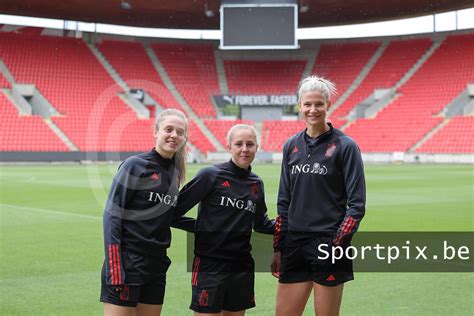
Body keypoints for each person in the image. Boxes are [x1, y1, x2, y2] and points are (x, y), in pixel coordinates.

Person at [272, 76, 366, 316]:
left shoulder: (346, 146)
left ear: (328, 105)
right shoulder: (290, 145)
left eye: (318, 104)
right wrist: (278, 247)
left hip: (329, 243)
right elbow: (284, 200)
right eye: (307, 104)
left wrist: (336, 244)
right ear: (299, 106)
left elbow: (356, 206)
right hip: (295, 244)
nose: (313, 110)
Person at [174, 124, 275, 315]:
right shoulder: (210, 175)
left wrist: (290, 224)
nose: (244, 149)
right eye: (239, 144)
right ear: (229, 147)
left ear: (256, 148)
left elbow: (261, 224)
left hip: (242, 266)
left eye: (250, 144)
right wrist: (202, 227)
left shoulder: (256, 183)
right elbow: (173, 213)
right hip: (210, 264)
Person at [100, 109, 190, 316]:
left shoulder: (175, 174)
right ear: (156, 132)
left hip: (157, 266)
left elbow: (169, 215)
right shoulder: (135, 165)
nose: (174, 135)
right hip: (128, 263)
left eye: (180, 132)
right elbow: (112, 217)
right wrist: (115, 269)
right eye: (168, 129)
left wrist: (215, 226)